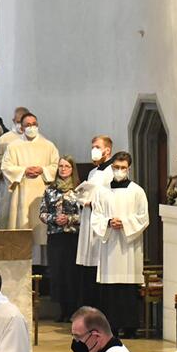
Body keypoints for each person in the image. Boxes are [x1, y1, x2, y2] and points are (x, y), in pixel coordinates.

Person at [90, 151, 148, 337]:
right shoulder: (102, 191)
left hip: (128, 246)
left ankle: (130, 327)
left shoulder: (137, 191)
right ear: (111, 167)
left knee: (127, 287)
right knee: (110, 288)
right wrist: (108, 222)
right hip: (109, 247)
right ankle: (111, 326)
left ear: (129, 169)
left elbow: (143, 217)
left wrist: (124, 223)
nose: (119, 171)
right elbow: (96, 215)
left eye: (123, 168)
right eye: (116, 167)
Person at [0, 112, 59, 263]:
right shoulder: (14, 146)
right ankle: (23, 262)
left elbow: (55, 165)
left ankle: (42, 265)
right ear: (21, 127)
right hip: (22, 192)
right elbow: (6, 167)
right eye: (28, 125)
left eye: (34, 124)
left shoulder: (48, 145)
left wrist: (42, 170)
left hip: (42, 192)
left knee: (41, 230)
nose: (31, 127)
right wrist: (23, 171)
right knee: (23, 226)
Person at [40, 156, 83, 322]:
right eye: (61, 166)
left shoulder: (79, 190)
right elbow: (42, 213)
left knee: (72, 273)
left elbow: (84, 215)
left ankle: (73, 309)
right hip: (55, 236)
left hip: (73, 237)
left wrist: (70, 219)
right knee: (58, 273)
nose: (63, 169)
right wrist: (54, 218)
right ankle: (62, 310)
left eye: (67, 166)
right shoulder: (50, 190)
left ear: (73, 169)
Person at [76, 135, 114, 309]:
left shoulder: (112, 172)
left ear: (107, 150)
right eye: (92, 146)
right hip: (87, 220)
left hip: (100, 225)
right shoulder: (92, 172)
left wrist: (93, 203)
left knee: (98, 266)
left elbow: (112, 199)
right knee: (87, 268)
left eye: (97, 147)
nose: (94, 150)